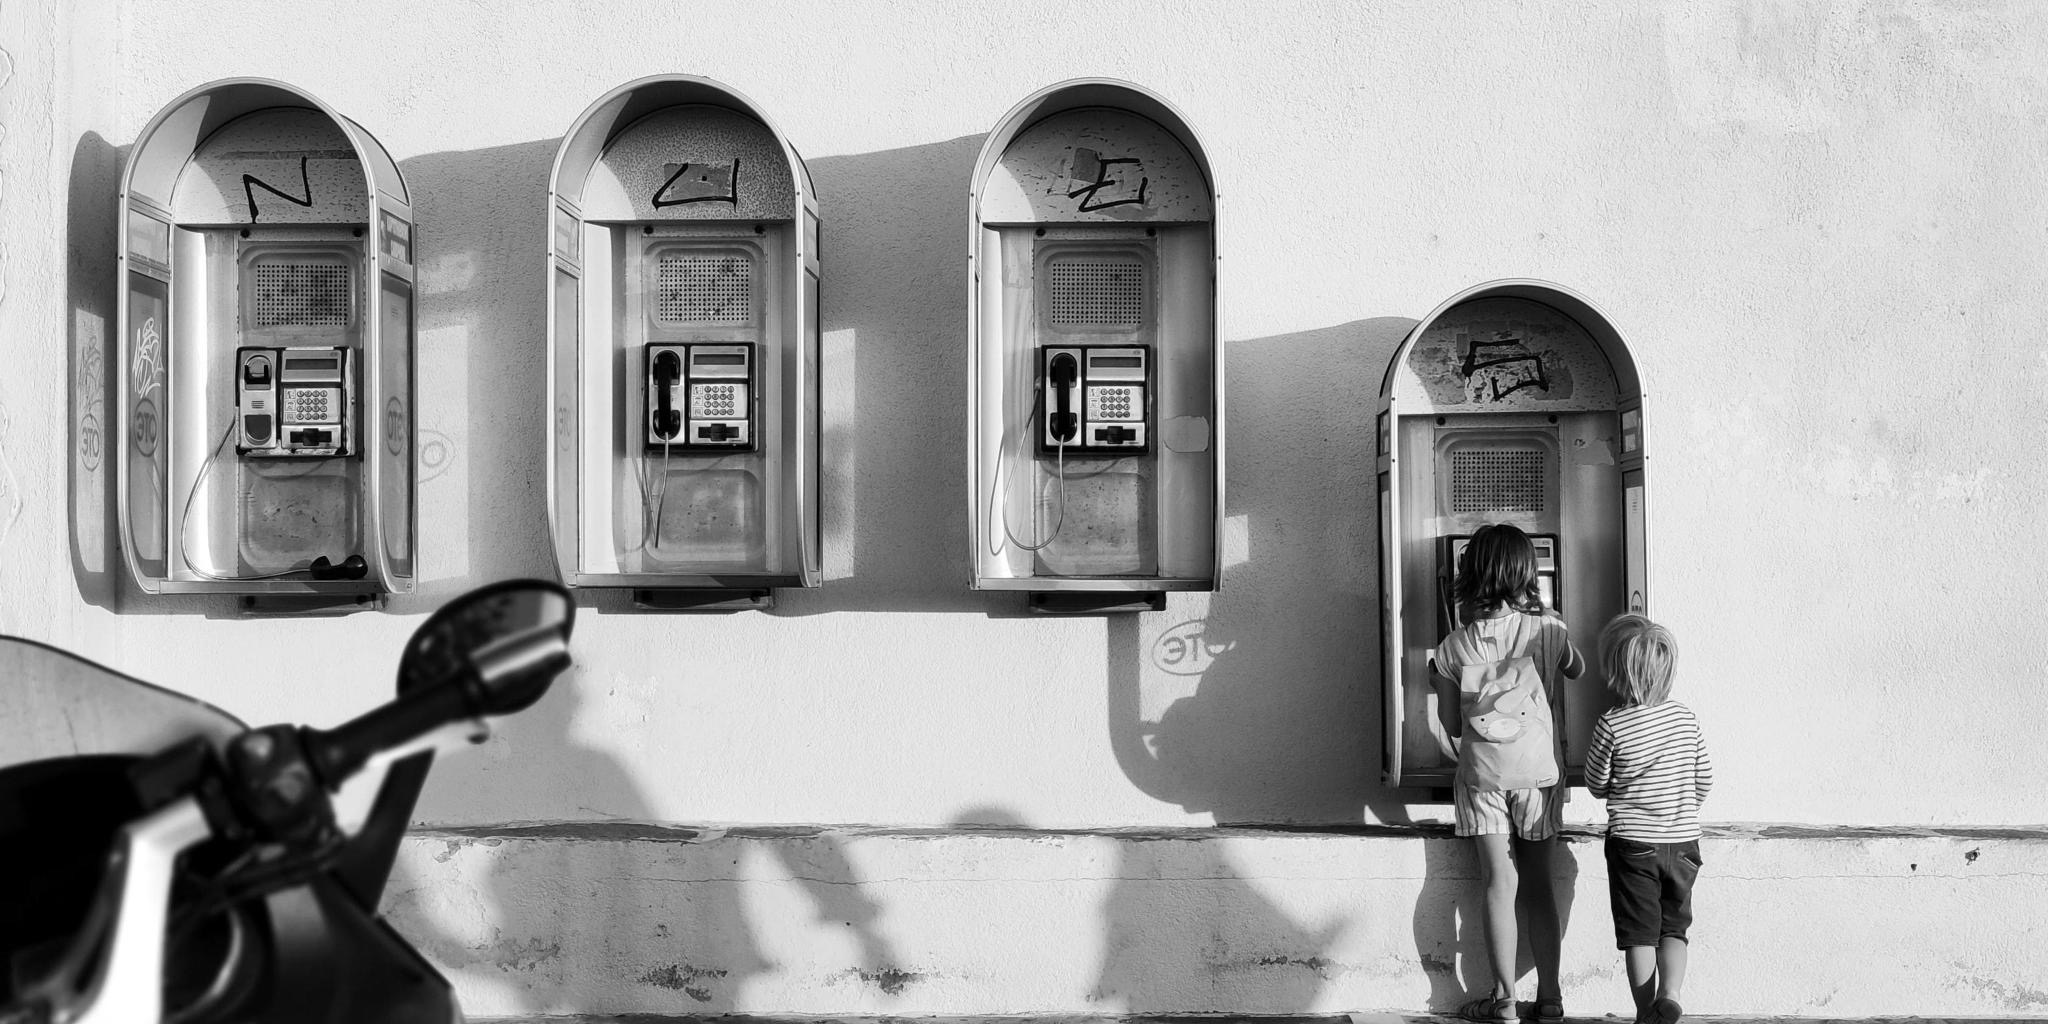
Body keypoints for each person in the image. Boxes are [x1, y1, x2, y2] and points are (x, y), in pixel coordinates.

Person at [1429, 524, 1583, 1023]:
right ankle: (1551, 998)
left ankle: (1504, 1001)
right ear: (1528, 574)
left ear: (1468, 575)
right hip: (1538, 777)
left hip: (1483, 780)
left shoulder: (1452, 647)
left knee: (1498, 883)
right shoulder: (1550, 632)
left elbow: (1454, 726)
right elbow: (1577, 670)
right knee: (1539, 885)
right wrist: (1550, 621)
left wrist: (1439, 680)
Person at [1586, 614, 1713, 1024]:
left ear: (1617, 672)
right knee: (1674, 928)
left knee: (1639, 935)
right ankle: (1670, 994)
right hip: (1684, 843)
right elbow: (1704, 780)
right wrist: (1681, 809)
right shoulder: (1686, 719)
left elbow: (1596, 783)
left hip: (1633, 846)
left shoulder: (1612, 723)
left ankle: (1645, 1013)